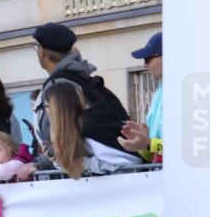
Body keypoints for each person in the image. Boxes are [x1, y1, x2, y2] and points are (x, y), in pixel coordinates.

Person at [31, 22, 131, 156]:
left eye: (36, 47)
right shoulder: (82, 80)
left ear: (42, 52)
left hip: (83, 169)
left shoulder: (58, 86)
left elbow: (64, 136)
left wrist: (41, 164)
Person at [30, 83, 142, 179]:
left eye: (46, 106)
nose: (45, 112)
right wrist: (58, 160)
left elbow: (128, 162)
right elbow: (73, 166)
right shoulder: (76, 128)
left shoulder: (89, 126)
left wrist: (83, 163)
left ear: (57, 108)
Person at [119, 32, 163, 163]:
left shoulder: (184, 93)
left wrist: (149, 143)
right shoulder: (159, 94)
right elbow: (152, 154)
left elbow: (182, 150)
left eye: (148, 58)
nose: (144, 64)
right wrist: (140, 144)